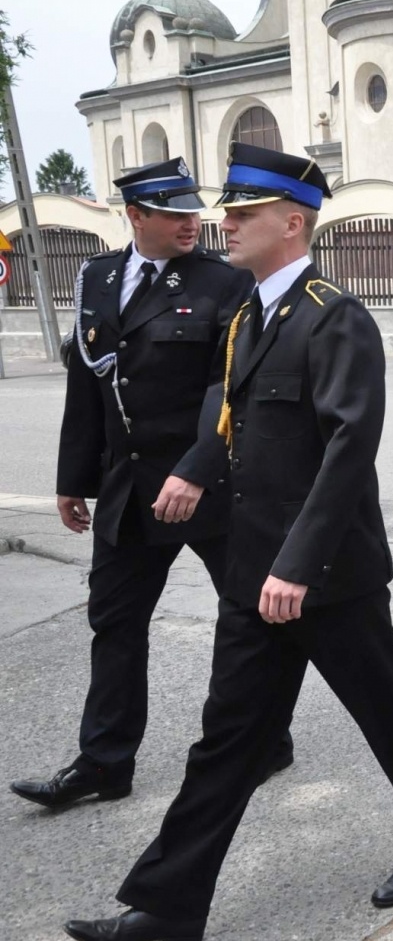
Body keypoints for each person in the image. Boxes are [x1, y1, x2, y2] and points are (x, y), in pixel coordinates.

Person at [65, 144, 393, 941]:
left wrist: (298, 563)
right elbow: (228, 415)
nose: (224, 223)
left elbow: (350, 451)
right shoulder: (249, 313)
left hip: (328, 575)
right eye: (228, 211)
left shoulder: (333, 315)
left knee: (386, 710)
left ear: (293, 222)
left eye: (242, 213)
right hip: (255, 569)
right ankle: (167, 904)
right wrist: (193, 474)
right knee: (227, 737)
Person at [12, 158, 292, 812]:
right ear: (136, 215)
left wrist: (198, 468)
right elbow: (89, 383)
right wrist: (72, 479)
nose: (192, 221)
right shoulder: (98, 278)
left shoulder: (225, 284)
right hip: (129, 491)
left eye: (194, 210)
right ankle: (105, 761)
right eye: (174, 211)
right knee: (114, 622)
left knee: (249, 617)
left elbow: (229, 389)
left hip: (212, 484)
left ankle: (266, 736)